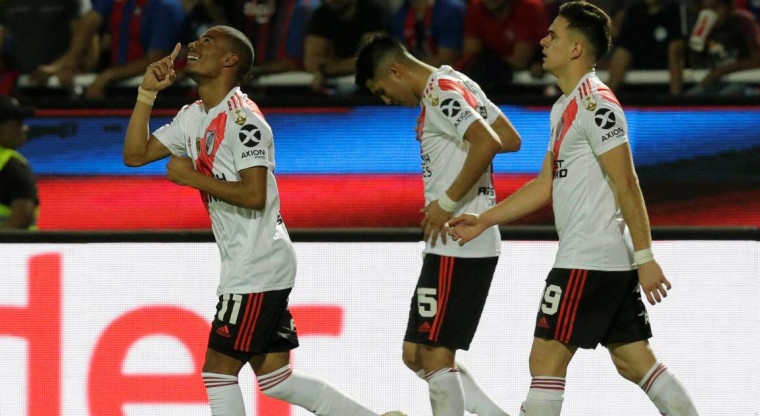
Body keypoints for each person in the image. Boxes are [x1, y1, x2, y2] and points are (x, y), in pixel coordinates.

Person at [122, 25, 404, 416]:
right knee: (276, 379)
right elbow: (135, 155)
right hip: (253, 259)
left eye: (207, 42)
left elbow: (255, 195)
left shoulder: (244, 123)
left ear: (229, 60)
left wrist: (190, 177)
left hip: (256, 263)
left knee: (218, 372)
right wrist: (147, 93)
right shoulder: (193, 116)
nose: (193, 45)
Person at [448, 3, 700, 415]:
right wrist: (484, 219)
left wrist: (646, 256)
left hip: (588, 258)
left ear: (577, 48)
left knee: (545, 358)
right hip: (597, 258)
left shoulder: (597, 104)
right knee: (634, 361)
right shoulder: (563, 106)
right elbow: (546, 184)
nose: (543, 41)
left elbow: (627, 182)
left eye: (554, 36)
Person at [356, 34, 522, 416]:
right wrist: (445, 127)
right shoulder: (456, 81)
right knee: (415, 354)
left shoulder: (439, 93)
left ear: (396, 70)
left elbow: (490, 142)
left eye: (382, 91)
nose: (386, 101)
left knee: (433, 354)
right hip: (452, 241)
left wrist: (445, 203)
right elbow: (510, 139)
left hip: (458, 237)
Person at [33, 0, 185, 99]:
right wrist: (66, 63)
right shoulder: (118, 2)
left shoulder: (166, 7)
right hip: (119, 91)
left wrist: (107, 76)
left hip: (159, 97)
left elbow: (157, 59)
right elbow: (90, 21)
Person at [606, 0, 690, 94]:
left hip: (668, 91)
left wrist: (675, 102)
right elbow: (622, 54)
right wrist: (606, 99)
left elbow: (676, 54)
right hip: (641, 90)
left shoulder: (676, 10)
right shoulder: (634, 12)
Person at [305, 0, 390, 92]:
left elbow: (370, 61)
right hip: (333, 89)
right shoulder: (321, 14)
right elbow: (311, 63)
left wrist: (326, 70)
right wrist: (347, 65)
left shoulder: (372, 12)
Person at [686, 0, 760, 96]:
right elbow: (696, 65)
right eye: (707, 9)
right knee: (690, 97)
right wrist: (698, 41)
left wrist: (723, 70)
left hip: (745, 81)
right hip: (717, 83)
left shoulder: (743, 22)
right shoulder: (704, 26)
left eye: (716, 8)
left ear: (729, 7)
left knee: (725, 97)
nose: (713, 13)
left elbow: (758, 60)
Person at [390, 0, 466, 67]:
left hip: (447, 75)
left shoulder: (450, 8)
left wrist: (409, 70)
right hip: (414, 71)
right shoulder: (401, 13)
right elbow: (399, 55)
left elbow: (447, 59)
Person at [0, 97, 38, 230]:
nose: (25, 128)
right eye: (18, 123)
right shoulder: (14, 167)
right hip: (13, 250)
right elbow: (20, 222)